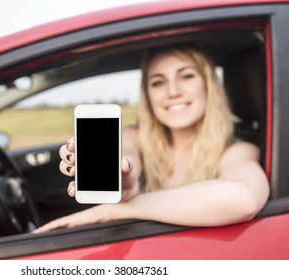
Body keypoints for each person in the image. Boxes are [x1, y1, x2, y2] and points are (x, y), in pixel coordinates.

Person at [34, 44, 269, 233]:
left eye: (186, 76)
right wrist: (124, 180)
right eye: (158, 82)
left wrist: (115, 211)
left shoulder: (238, 151)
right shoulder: (134, 136)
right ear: (148, 95)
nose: (173, 91)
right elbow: (127, 160)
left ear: (209, 86)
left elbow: (242, 200)